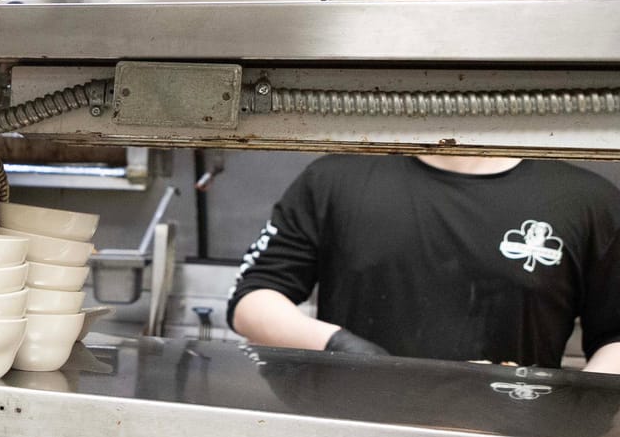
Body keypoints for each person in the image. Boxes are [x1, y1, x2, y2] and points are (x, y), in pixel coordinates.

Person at [228, 153, 620, 372]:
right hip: (357, 433)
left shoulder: (585, 201)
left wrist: (565, 410)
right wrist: (341, 347)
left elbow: (615, 337)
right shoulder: (335, 177)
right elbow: (252, 299)